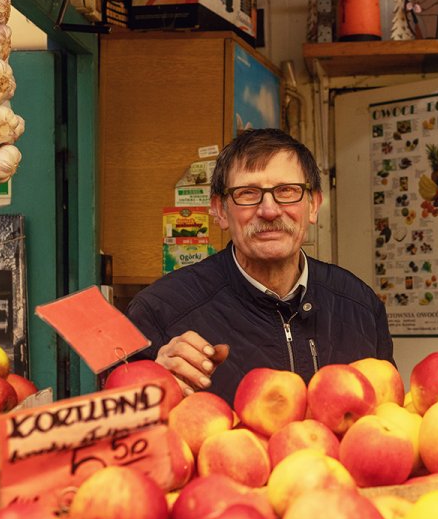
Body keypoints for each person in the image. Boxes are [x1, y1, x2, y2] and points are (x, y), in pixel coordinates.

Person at [127, 129, 394, 404]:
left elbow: (389, 416)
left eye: (287, 191)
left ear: (313, 205)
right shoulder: (161, 311)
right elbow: (113, 432)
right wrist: (152, 385)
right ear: (220, 210)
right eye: (247, 193)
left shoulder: (360, 305)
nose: (269, 210)